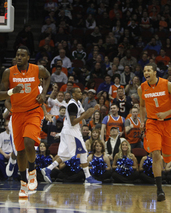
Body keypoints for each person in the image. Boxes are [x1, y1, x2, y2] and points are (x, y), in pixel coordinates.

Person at [0, 46, 51, 198]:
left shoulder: (38, 69)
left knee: (29, 142)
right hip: (17, 115)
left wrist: (43, 94)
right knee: (20, 151)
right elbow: (1, 95)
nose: (19, 57)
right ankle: (23, 183)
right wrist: (11, 92)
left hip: (34, 112)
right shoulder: (8, 72)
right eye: (17, 55)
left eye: (22, 55)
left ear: (28, 57)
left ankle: (32, 172)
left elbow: (48, 76)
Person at [138, 63, 171, 201]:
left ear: (154, 72)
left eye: (149, 70)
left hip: (168, 122)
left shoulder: (168, 84)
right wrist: (142, 120)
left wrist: (166, 113)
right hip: (152, 123)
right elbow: (141, 106)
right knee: (156, 154)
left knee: (167, 155)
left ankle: (167, 159)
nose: (146, 72)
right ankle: (159, 190)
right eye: (144, 70)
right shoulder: (142, 88)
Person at [41, 87, 102, 185]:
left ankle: (88, 177)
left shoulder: (78, 103)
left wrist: (93, 110)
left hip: (73, 131)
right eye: (78, 92)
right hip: (70, 131)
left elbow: (84, 115)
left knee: (83, 152)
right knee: (69, 155)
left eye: (80, 91)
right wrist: (86, 114)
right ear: (73, 94)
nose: (80, 93)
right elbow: (73, 122)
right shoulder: (72, 105)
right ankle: (48, 169)